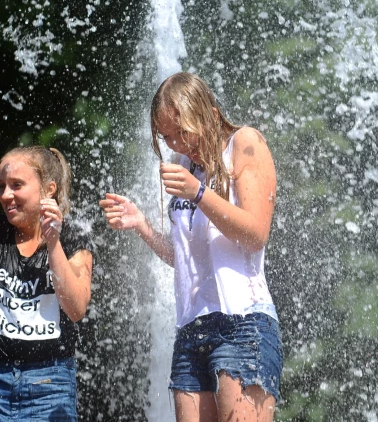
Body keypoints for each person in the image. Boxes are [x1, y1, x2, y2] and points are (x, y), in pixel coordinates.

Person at [99, 72, 283, 422]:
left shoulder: (245, 144)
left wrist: (199, 193)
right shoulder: (185, 167)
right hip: (191, 329)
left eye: (183, 132)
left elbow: (256, 233)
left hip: (243, 324)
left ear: (211, 115)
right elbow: (185, 258)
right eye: (168, 136)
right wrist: (142, 225)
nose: (178, 145)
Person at [0, 145, 94, 422]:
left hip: (50, 387)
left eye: (16, 185)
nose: (5, 195)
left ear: (49, 189)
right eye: (1, 186)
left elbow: (76, 308)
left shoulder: (73, 235)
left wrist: (53, 242)